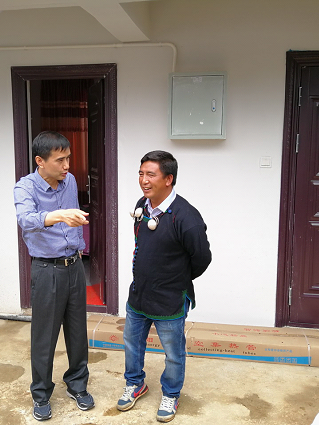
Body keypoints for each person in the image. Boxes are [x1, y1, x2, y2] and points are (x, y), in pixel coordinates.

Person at [117, 150, 212, 422]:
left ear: (168, 179)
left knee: (173, 353)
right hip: (139, 294)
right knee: (132, 344)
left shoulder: (186, 217)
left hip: (170, 299)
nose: (143, 180)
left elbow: (202, 259)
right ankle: (135, 383)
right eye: (141, 174)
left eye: (150, 175)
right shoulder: (142, 205)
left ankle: (171, 393)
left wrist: (175, 280)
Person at [14, 131, 94, 421]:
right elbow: (26, 220)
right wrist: (60, 215)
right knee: (44, 336)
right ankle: (41, 394)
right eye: (60, 160)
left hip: (74, 265)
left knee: (77, 331)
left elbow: (73, 220)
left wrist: (78, 245)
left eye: (68, 158)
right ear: (40, 161)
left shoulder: (69, 181)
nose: (67, 166)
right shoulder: (25, 187)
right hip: (47, 269)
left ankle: (77, 385)